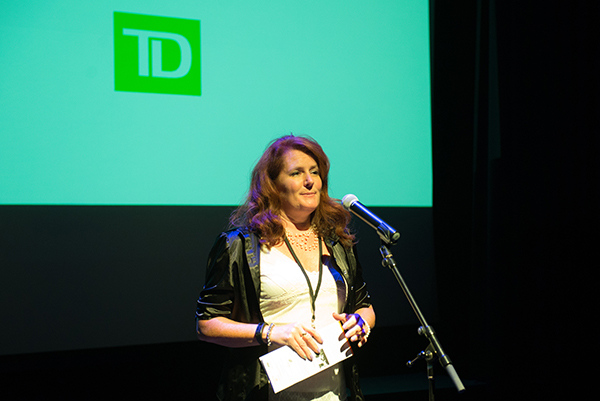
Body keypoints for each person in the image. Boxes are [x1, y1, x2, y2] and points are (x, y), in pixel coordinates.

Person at [196, 135, 375, 401]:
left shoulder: (338, 242)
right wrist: (270, 332)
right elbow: (207, 324)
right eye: (296, 173)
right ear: (273, 185)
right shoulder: (240, 246)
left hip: (334, 393)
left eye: (315, 172)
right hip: (266, 392)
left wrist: (360, 323)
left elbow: (364, 307)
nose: (310, 181)